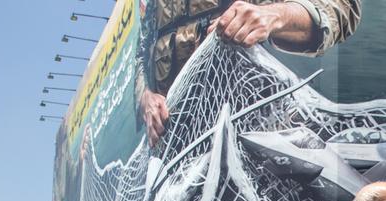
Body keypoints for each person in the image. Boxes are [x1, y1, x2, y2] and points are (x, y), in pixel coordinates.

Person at [137, 0, 362, 146]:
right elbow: (141, 53)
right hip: (177, 142)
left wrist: (273, 16)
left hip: (255, 128)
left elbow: (341, 10)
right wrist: (145, 97)